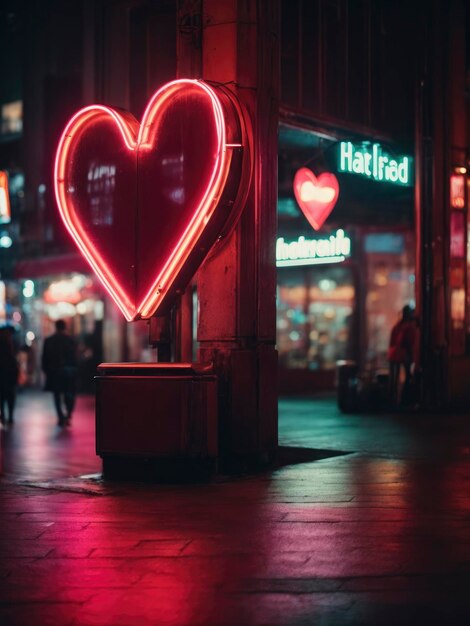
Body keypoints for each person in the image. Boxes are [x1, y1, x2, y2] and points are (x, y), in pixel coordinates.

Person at [42, 320, 78, 426]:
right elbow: (75, 357)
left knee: (57, 395)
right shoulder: (71, 340)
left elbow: (45, 358)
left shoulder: (49, 340)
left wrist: (46, 370)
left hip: (54, 371)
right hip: (68, 371)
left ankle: (60, 416)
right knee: (69, 392)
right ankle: (68, 413)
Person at [388, 305, 417, 405]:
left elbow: (392, 342)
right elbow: (408, 342)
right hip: (403, 354)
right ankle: (403, 399)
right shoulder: (408, 327)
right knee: (407, 376)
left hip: (393, 354)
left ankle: (393, 399)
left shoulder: (397, 326)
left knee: (394, 378)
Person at [0, 326, 19, 425]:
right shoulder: (12, 345)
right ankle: (10, 416)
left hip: (3, 374)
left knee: (2, 396)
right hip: (9, 374)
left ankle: (3, 415)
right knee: (10, 396)